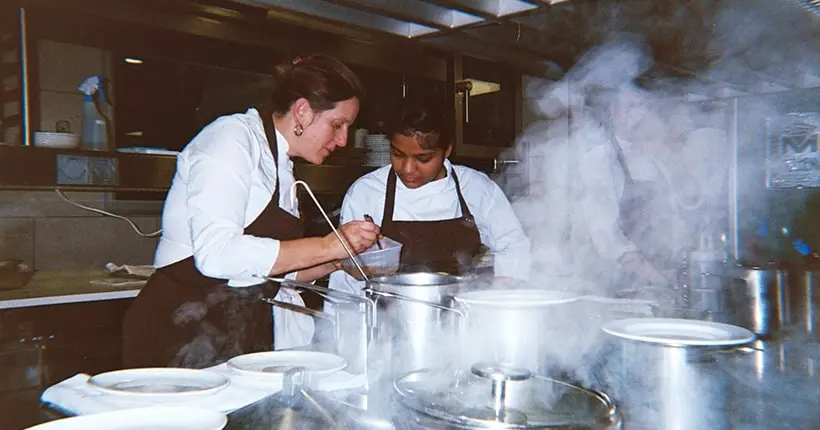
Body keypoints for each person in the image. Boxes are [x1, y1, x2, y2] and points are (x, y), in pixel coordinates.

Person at [122, 54, 380, 368]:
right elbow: (217, 255)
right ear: (302, 111)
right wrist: (328, 244)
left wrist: (335, 262)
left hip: (234, 331)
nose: (342, 140)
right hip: (182, 331)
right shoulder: (231, 139)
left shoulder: (282, 165)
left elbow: (265, 270)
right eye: (337, 125)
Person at [327, 101, 531, 297]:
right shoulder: (367, 191)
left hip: (460, 322)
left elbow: (513, 247)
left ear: (447, 150)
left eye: (423, 159)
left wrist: (498, 297)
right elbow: (347, 278)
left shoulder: (476, 188)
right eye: (397, 154)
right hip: (385, 325)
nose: (408, 169)